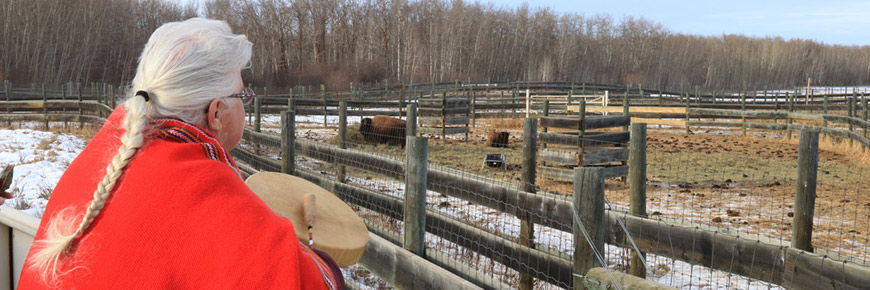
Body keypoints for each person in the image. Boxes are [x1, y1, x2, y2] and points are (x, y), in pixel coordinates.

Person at [18, 18, 344, 289]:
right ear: (217, 113)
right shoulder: (208, 195)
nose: (245, 101)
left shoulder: (101, 157)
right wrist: (320, 259)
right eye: (242, 93)